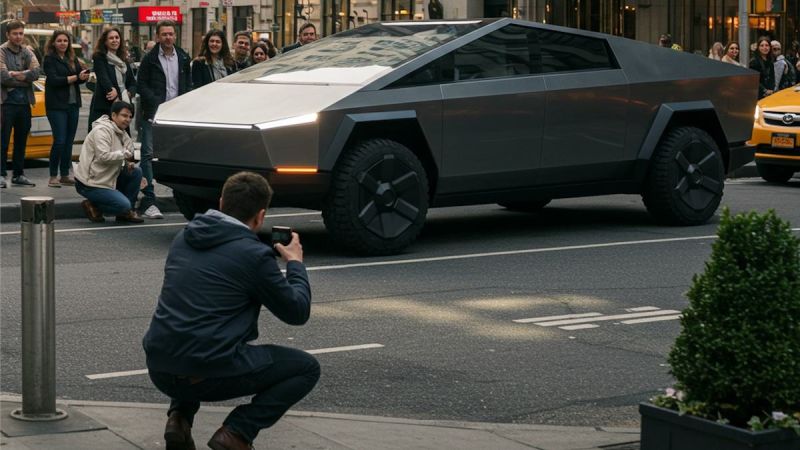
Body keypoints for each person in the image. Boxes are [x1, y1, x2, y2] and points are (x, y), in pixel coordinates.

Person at [143, 171, 319, 450]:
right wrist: (295, 264)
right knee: (306, 368)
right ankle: (237, 432)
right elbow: (297, 312)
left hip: (160, 366)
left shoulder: (184, 237)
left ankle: (178, 419)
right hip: (205, 372)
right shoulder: (254, 255)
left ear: (222, 201)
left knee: (193, 326)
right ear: (260, 216)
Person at [137, 20, 192, 220]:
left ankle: (183, 197)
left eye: (171, 34)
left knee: (179, 155)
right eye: (164, 34)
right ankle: (150, 201)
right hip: (154, 113)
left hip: (177, 114)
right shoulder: (149, 59)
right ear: (158, 37)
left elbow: (187, 84)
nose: (168, 37)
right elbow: (141, 85)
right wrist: (156, 101)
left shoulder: (184, 57)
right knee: (148, 155)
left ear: (175, 35)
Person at [74, 101, 144, 224]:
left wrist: (128, 164)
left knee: (136, 172)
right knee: (123, 205)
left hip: (107, 178)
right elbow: (103, 156)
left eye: (130, 116)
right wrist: (125, 154)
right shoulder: (101, 131)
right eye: (124, 115)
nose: (127, 119)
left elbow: (129, 153)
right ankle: (93, 205)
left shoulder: (122, 133)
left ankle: (127, 213)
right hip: (90, 183)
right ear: (113, 116)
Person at [43, 30, 89, 188]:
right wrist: (76, 77)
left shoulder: (72, 58)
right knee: (60, 140)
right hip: (56, 106)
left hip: (73, 104)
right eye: (59, 41)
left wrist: (83, 75)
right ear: (53, 43)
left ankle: (64, 174)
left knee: (69, 141)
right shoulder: (49, 59)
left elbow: (78, 78)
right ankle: (53, 175)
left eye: (65, 41)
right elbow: (55, 80)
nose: (63, 43)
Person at [0, 19, 41, 188]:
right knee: (2, 141)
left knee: (21, 140)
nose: (18, 37)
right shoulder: (1, 51)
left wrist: (15, 74)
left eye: (21, 33)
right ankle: (1, 174)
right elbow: (3, 77)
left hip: (24, 103)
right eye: (15, 33)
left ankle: (19, 174)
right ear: (8, 34)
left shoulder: (27, 51)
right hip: (6, 103)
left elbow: (37, 72)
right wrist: (25, 78)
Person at [89, 27, 136, 132]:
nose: (115, 40)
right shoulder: (99, 57)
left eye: (117, 37)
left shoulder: (124, 60)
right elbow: (103, 78)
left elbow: (132, 83)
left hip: (123, 107)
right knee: (104, 140)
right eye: (111, 38)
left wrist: (129, 93)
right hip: (105, 106)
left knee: (122, 142)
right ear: (105, 42)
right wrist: (112, 89)